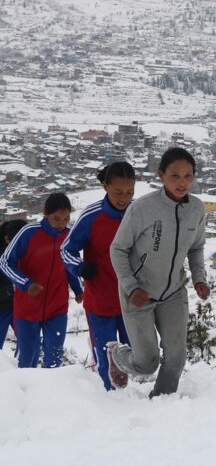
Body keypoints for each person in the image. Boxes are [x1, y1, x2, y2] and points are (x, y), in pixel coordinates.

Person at [107, 147, 210, 397]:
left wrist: (199, 279)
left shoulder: (197, 209)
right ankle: (116, 354)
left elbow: (196, 248)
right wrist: (131, 287)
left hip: (174, 291)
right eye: (175, 176)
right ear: (161, 175)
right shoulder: (143, 208)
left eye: (188, 176)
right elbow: (118, 249)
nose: (182, 182)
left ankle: (161, 405)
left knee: (176, 358)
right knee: (147, 364)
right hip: (139, 293)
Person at [61, 162, 135, 390]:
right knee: (107, 355)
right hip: (100, 299)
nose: (124, 198)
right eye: (118, 192)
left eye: (130, 192)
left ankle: (133, 394)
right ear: (105, 186)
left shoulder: (137, 213)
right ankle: (110, 398)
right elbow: (66, 249)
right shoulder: (92, 216)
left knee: (136, 352)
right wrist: (81, 268)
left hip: (132, 300)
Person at [0, 193, 83, 368]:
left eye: (66, 219)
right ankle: (27, 393)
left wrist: (77, 288)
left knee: (54, 356)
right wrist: (26, 284)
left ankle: (52, 393)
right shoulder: (28, 233)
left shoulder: (69, 236)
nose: (61, 224)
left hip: (57, 307)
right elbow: (5, 262)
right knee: (28, 358)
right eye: (56, 218)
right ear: (45, 213)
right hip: (28, 308)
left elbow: (69, 264)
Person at [0, 219, 27, 349]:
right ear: (7, 239)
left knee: (29, 342)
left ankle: (25, 368)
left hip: (20, 304)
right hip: (3, 305)